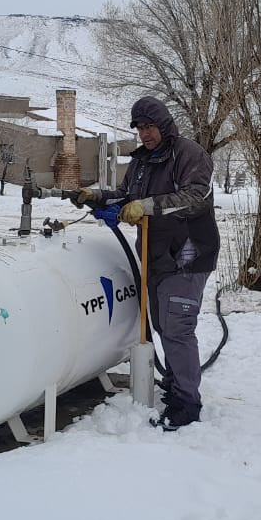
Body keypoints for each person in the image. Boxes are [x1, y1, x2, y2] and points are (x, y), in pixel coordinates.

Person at [74, 96, 219, 430]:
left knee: (178, 328)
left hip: (188, 254)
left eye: (149, 126)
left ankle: (186, 403)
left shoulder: (190, 154)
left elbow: (195, 197)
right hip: (155, 256)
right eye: (139, 128)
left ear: (164, 124)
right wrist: (98, 196)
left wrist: (148, 207)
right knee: (164, 326)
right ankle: (176, 385)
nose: (145, 134)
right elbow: (128, 196)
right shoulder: (140, 162)